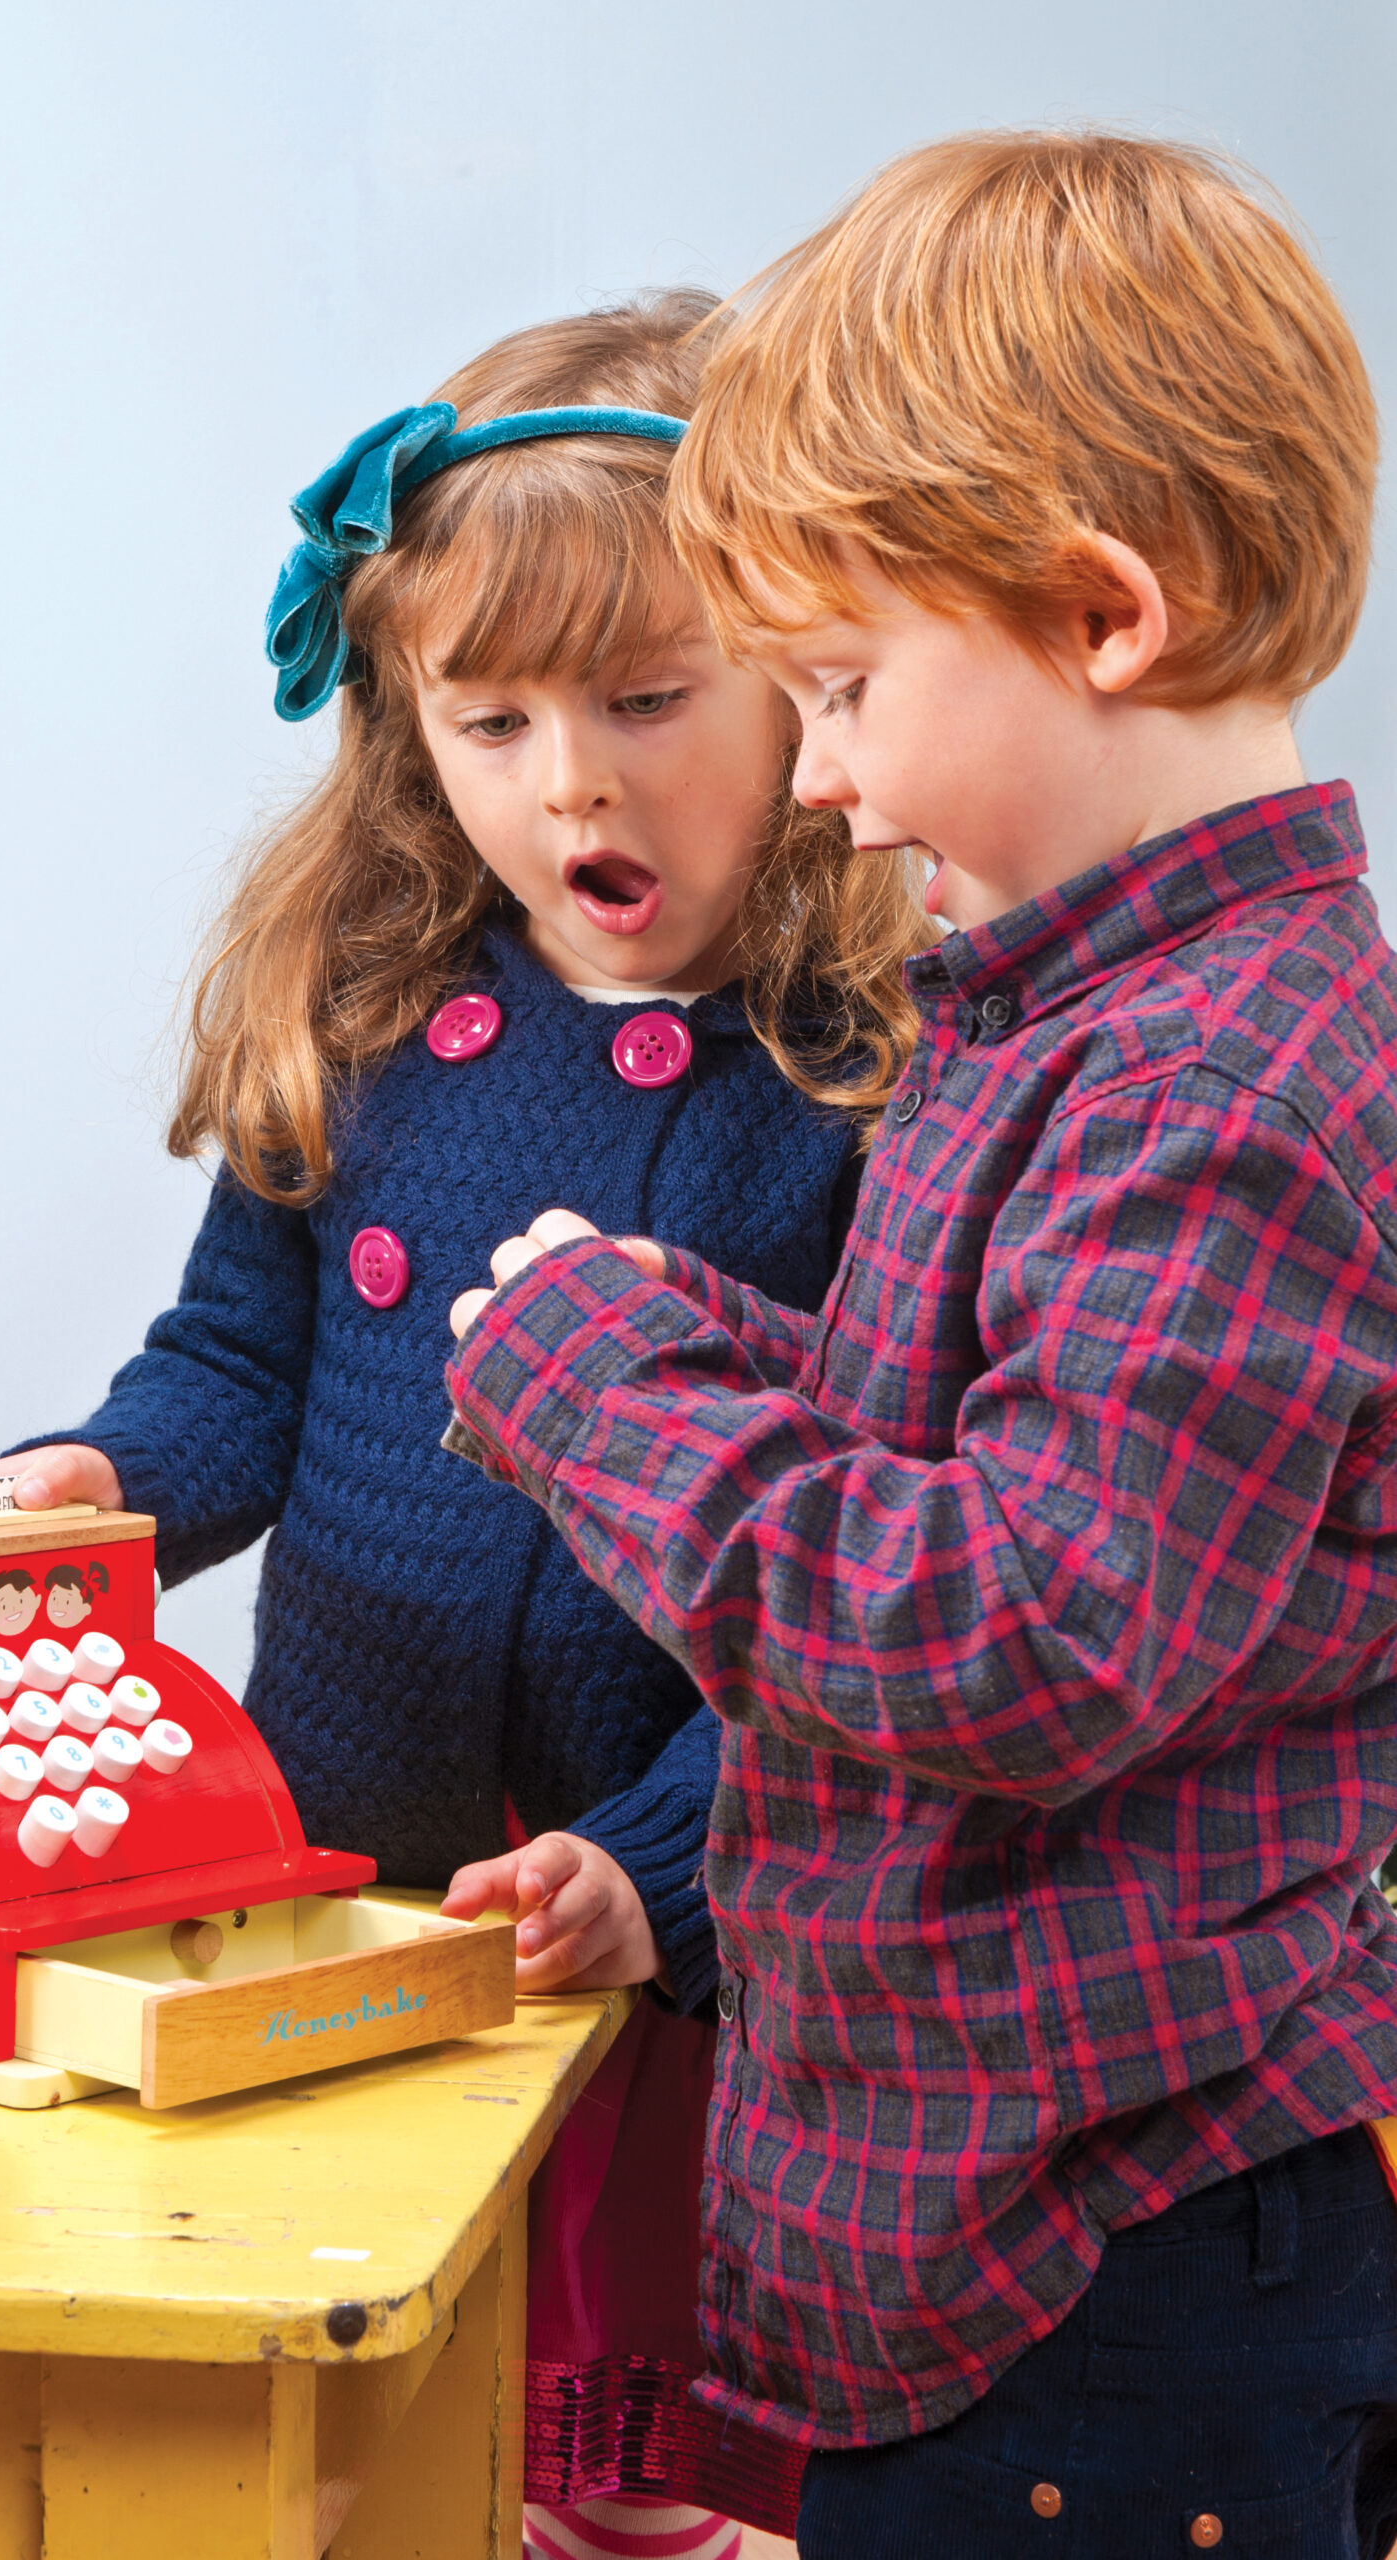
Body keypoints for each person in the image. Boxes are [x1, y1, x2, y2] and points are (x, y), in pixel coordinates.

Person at [442, 133, 1397, 2558]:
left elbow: (1020, 1626)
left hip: (1114, 2265)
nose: (832, 781)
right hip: (992, 2243)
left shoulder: (1217, 1083)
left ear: (1098, 616)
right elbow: (1007, 1447)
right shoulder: (1087, 1013)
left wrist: (603, 1396)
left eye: (846, 689)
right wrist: (721, 1338)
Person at [0, 293, 929, 2558]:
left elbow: (868, 1565)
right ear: (406, 728)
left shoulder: (867, 1070)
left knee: (634, 2371)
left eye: (646, 696)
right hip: (363, 1827)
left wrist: (657, 1859)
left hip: (678, 1848)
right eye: (487, 717)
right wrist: (94, 1484)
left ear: (802, 660)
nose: (566, 776)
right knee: (369, 2354)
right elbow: (236, 1368)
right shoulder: (381, 1017)